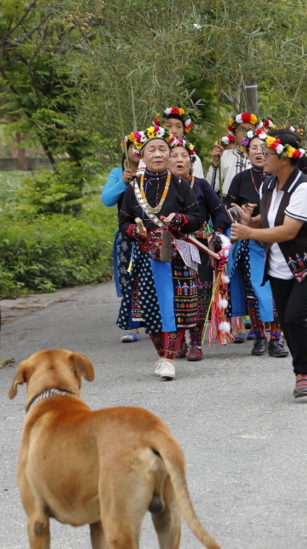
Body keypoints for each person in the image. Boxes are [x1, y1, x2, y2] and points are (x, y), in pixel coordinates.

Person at [230, 130, 307, 398]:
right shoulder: (267, 184)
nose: (260, 155)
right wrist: (249, 220)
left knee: (294, 316)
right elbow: (268, 219)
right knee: (287, 323)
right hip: (278, 267)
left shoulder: (304, 188)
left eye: (267, 151)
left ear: (285, 157)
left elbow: (287, 231)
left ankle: (303, 375)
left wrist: (248, 233)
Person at [116, 124, 200, 380]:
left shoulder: (181, 185)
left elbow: (197, 216)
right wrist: (134, 230)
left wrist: (180, 220)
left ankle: (169, 358)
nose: (158, 154)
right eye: (151, 149)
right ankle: (161, 354)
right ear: (141, 155)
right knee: (152, 308)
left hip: (176, 252)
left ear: (169, 154)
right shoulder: (132, 189)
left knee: (176, 308)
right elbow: (123, 222)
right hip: (145, 254)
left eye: (163, 149)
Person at [224, 130, 288, 358]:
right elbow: (226, 207)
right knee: (255, 291)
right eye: (253, 148)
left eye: (264, 148)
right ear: (247, 153)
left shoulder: (282, 178)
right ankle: (259, 337)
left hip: (279, 242)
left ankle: (277, 339)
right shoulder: (240, 179)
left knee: (277, 289)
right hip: (251, 244)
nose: (259, 152)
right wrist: (242, 213)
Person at [169, 137, 230, 361]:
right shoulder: (160, 189)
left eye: (184, 156)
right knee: (176, 295)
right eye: (174, 155)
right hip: (171, 247)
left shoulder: (201, 185)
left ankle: (196, 343)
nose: (179, 160)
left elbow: (219, 212)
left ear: (191, 161)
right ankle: (179, 342)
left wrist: (219, 234)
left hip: (200, 244)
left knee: (201, 293)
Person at [102, 134, 144, 343]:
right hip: (128, 234)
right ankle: (132, 327)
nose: (136, 150)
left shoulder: (154, 172)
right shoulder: (118, 173)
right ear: (125, 149)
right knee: (129, 279)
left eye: (140, 146)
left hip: (152, 232)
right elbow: (106, 199)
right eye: (132, 146)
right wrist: (123, 182)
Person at [207, 113, 260, 196]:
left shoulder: (260, 156)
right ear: (234, 134)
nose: (245, 133)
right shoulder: (224, 155)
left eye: (250, 129)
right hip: (227, 204)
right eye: (241, 130)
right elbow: (211, 188)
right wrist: (216, 161)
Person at [160, 107, 204, 178]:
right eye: (169, 126)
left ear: (184, 130)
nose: (174, 131)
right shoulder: (150, 154)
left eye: (178, 126)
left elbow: (197, 185)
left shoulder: (193, 157)